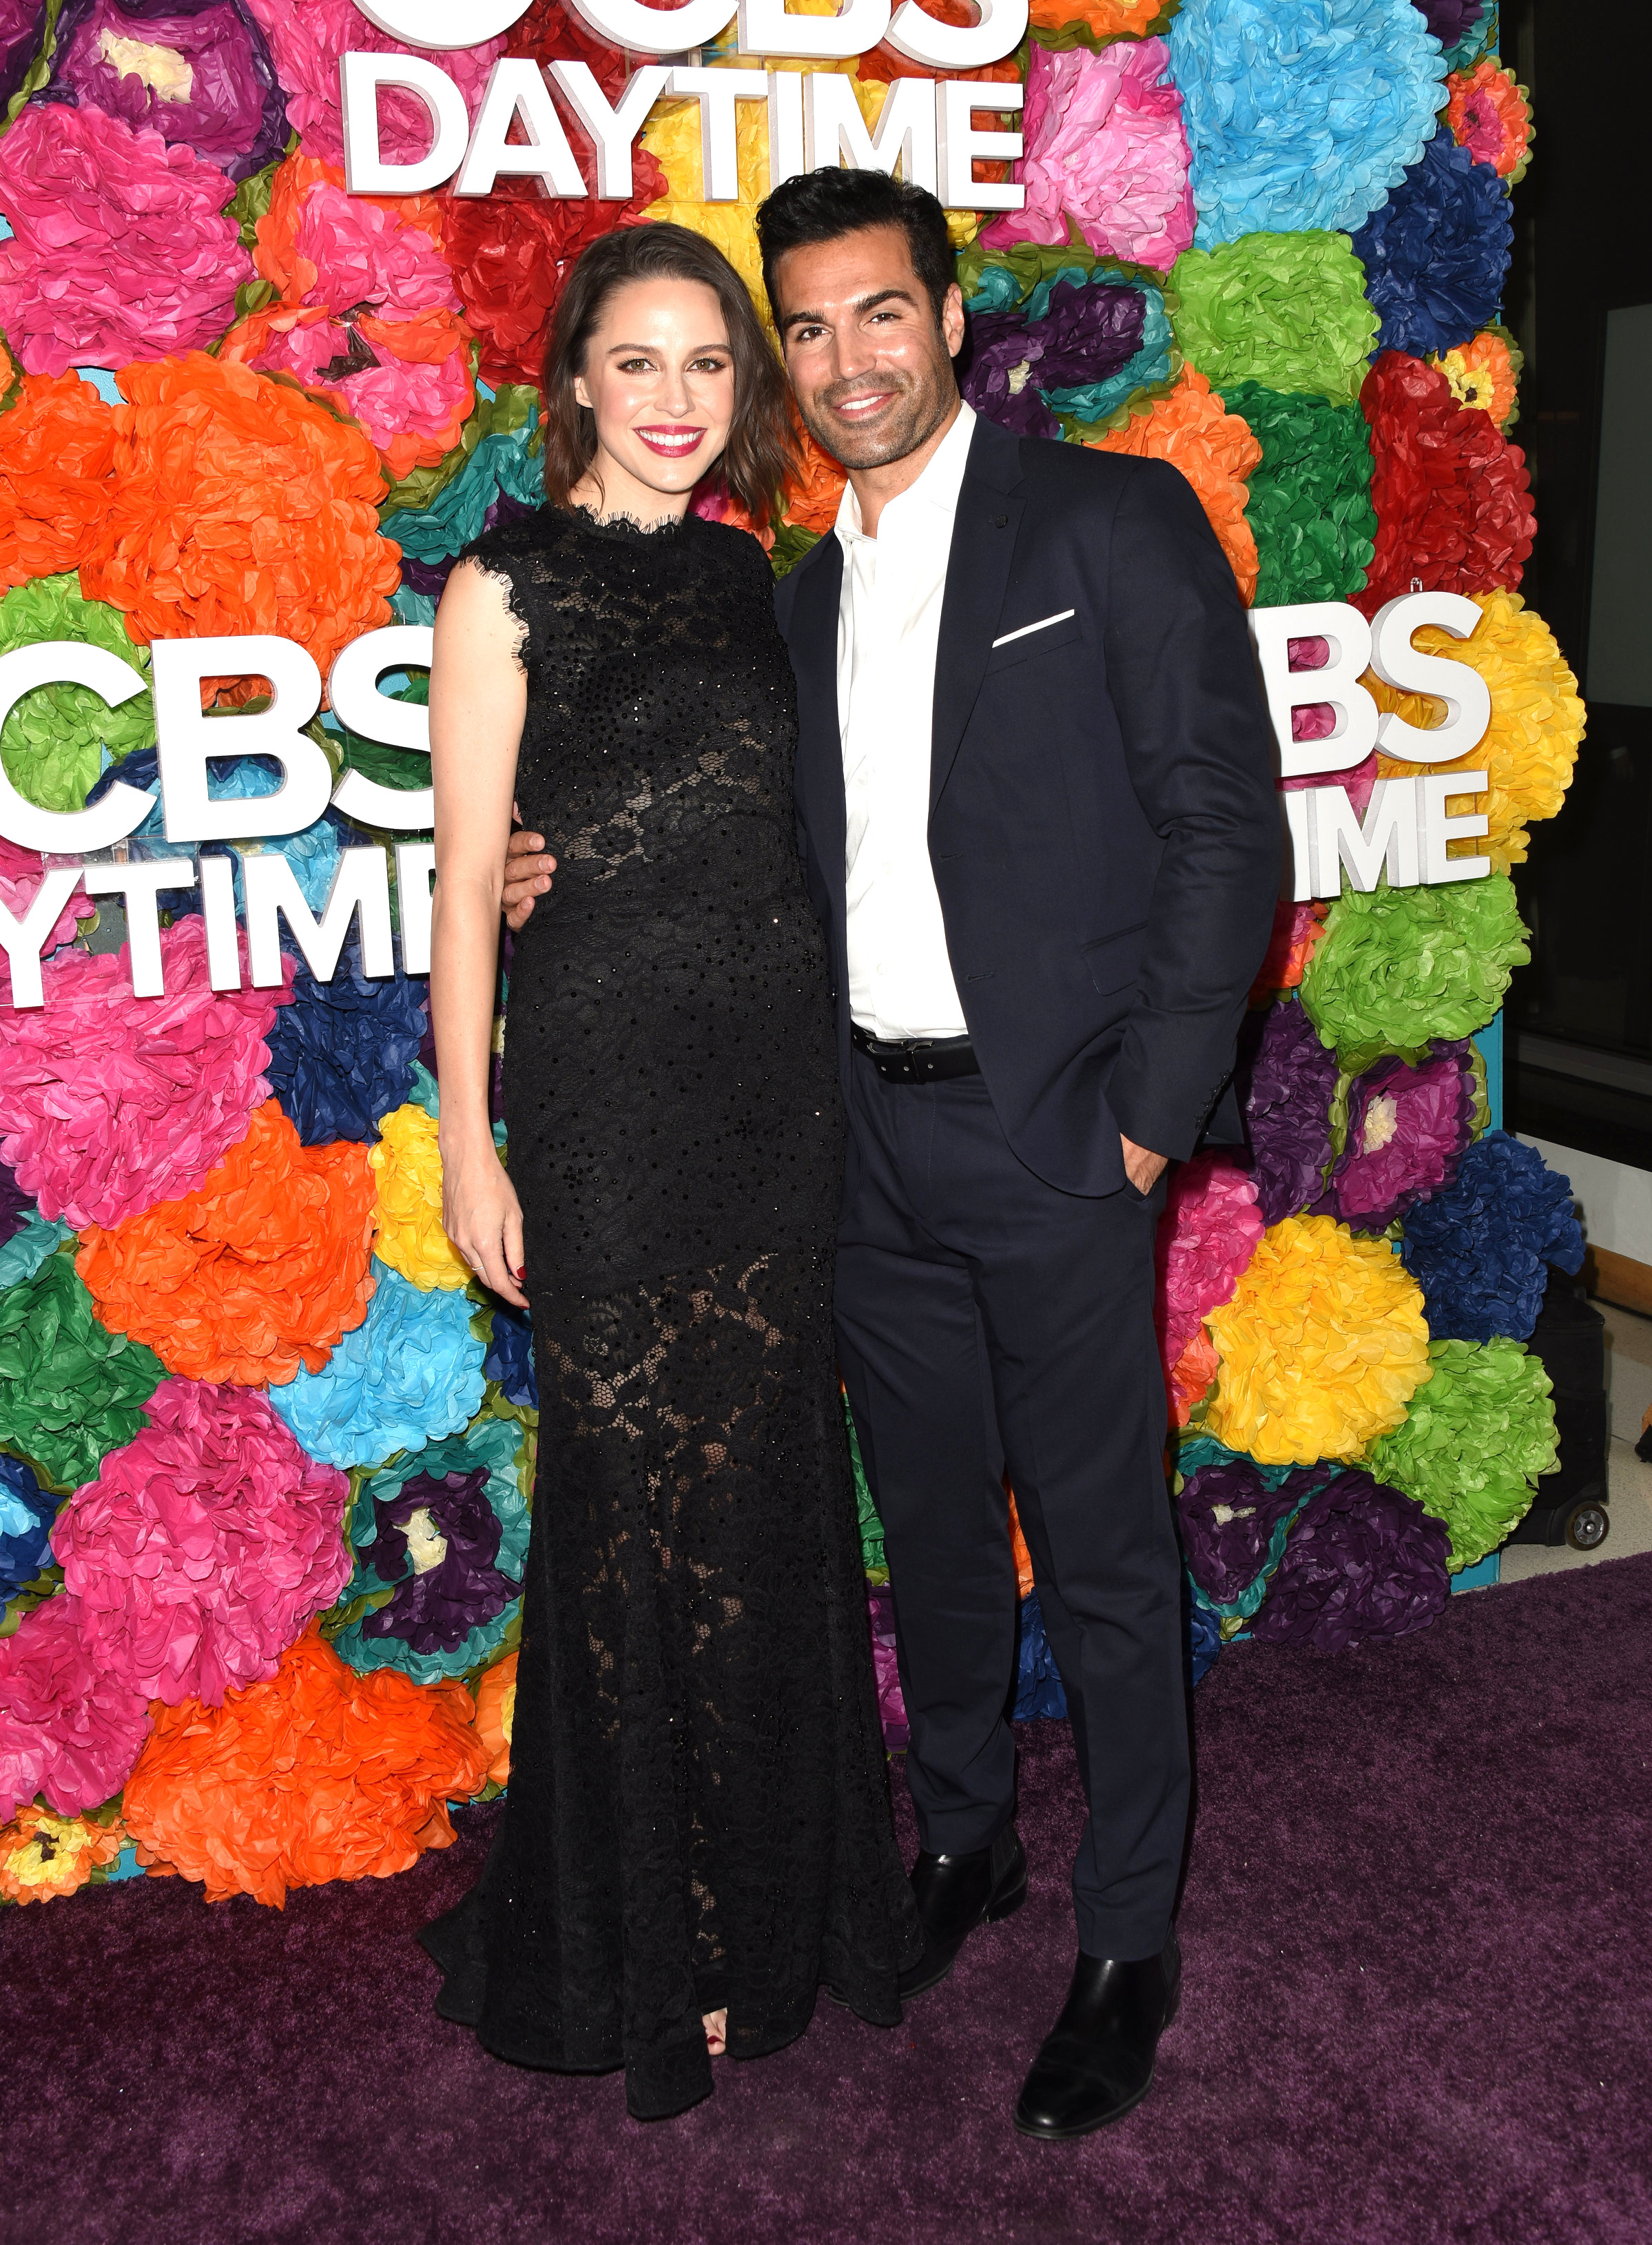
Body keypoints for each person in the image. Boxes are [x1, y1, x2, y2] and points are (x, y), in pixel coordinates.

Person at [504, 170, 1281, 2140]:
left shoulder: (1107, 520)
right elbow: (701, 817)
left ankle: (1128, 1940)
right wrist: (540, 863)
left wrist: (1145, 1120)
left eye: (879, 312)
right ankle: (962, 1839)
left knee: (1102, 1554)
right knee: (928, 1529)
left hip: (1060, 1140)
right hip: (850, 1144)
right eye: (809, 326)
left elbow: (1226, 827)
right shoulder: (786, 596)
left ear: (949, 318)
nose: (846, 358)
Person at [420, 219, 920, 2125]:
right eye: (637, 361)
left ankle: (780, 1916)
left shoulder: (753, 581)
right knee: (630, 1513)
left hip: (776, 1103)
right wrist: (469, 1139)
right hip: (606, 1104)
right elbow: (465, 886)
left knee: (772, 1499)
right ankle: (657, 1945)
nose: (677, 398)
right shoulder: (501, 589)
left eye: (710, 362)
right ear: (574, 381)